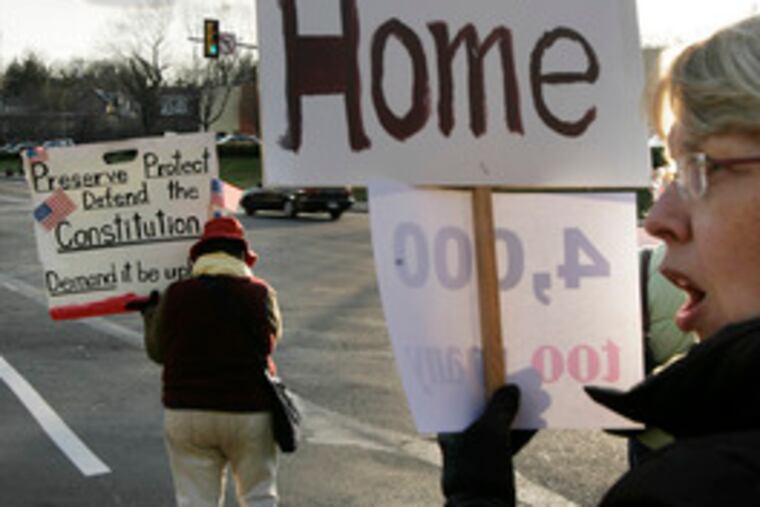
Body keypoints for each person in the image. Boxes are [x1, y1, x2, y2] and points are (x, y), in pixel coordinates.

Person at [439, 14, 760, 506]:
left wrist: (476, 495)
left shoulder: (699, 488)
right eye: (668, 173)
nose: (658, 218)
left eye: (700, 168)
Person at [129, 216, 283, 507]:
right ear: (241, 255)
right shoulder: (260, 293)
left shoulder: (174, 295)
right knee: (259, 495)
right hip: (249, 411)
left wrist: (150, 316)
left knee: (196, 500)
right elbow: (271, 341)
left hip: (187, 413)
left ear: (199, 256)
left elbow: (158, 353)